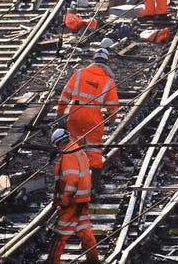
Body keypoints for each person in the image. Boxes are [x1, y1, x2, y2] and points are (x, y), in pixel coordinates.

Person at [56, 48, 119, 172]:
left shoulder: (79, 73)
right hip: (93, 117)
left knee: (73, 145)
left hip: (75, 113)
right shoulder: (108, 81)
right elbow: (113, 105)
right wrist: (112, 118)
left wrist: (60, 112)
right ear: (107, 62)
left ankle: (71, 173)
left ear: (94, 59)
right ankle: (94, 179)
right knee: (93, 148)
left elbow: (65, 94)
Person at [49, 128, 99, 264]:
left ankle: (53, 261)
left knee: (60, 233)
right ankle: (93, 259)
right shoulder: (78, 150)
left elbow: (72, 180)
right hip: (82, 199)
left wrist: (65, 200)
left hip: (73, 201)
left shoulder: (68, 154)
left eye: (56, 145)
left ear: (59, 143)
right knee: (84, 230)